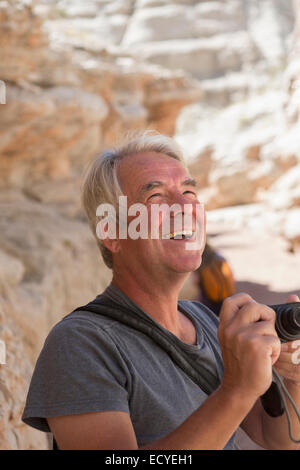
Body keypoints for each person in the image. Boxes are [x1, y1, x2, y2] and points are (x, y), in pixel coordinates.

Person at [22, 131, 300, 450]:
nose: (185, 207)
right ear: (111, 232)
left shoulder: (203, 321)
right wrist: (236, 391)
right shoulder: (80, 343)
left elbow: (276, 440)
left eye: (189, 191)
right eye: (156, 197)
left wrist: (292, 380)